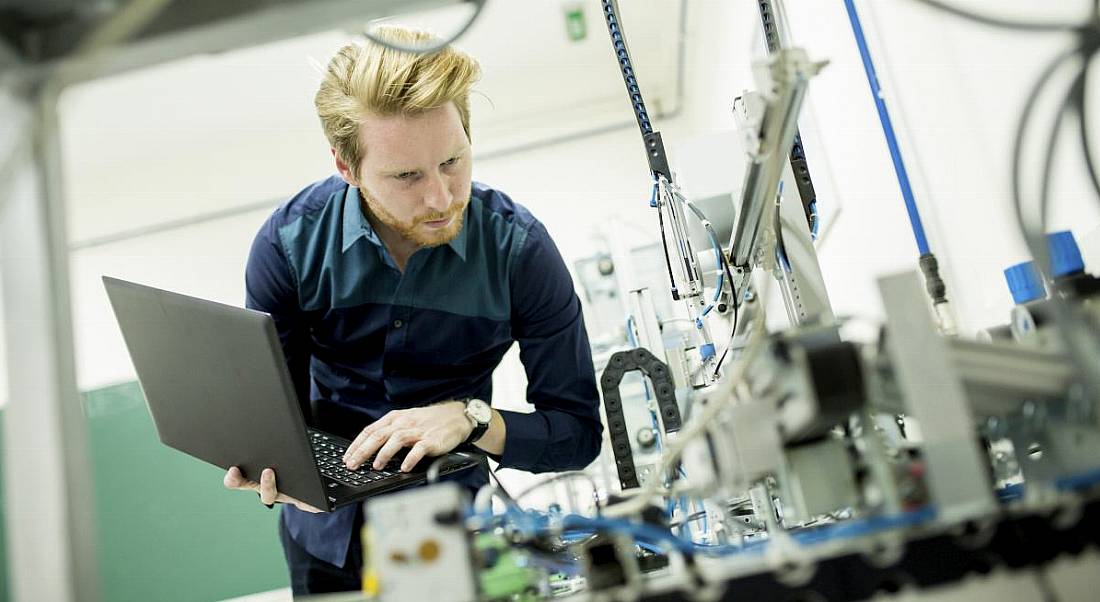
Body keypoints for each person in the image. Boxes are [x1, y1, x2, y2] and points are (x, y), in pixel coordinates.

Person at [221, 25, 603, 595]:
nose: (440, 198)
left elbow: (577, 434)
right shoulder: (289, 245)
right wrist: (266, 460)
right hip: (324, 541)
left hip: (460, 539)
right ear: (346, 167)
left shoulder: (519, 253)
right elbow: (278, 413)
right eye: (406, 176)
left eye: (453, 161)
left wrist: (473, 419)